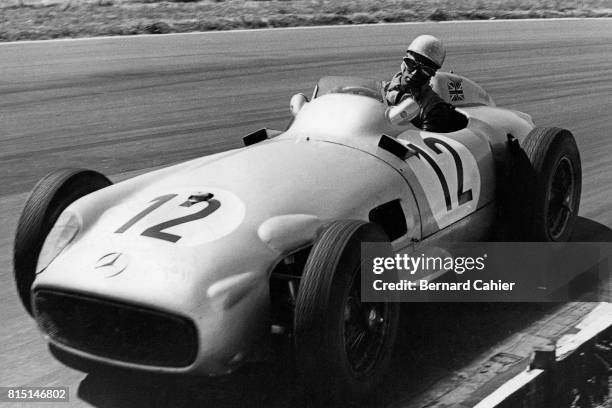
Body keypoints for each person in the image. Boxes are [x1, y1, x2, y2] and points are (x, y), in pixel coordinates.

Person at [384, 35, 463, 133]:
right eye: (411, 64)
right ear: (403, 63)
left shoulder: (433, 109)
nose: (414, 74)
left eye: (425, 70)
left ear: (431, 74)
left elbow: (424, 145)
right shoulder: (382, 89)